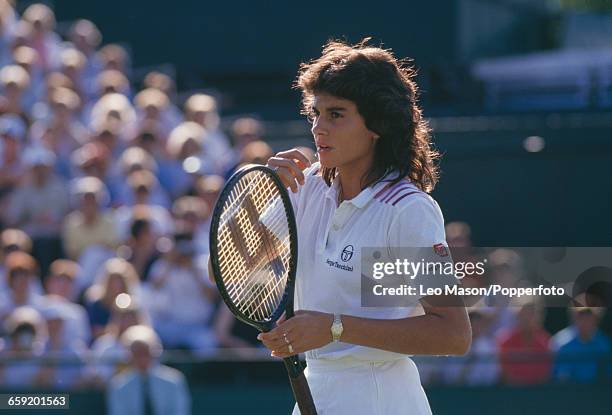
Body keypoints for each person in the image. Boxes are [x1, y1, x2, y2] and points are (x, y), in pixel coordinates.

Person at [257, 40, 471, 414]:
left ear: (377, 124)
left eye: (336, 114)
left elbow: (453, 333)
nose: (318, 128)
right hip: (315, 389)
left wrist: (334, 327)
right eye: (315, 112)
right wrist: (257, 195)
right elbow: (223, 270)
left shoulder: (408, 211)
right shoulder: (305, 188)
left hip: (380, 398)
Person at [107, 325, 191, 415]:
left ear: (155, 352)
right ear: (129, 355)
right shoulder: (118, 385)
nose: (142, 358)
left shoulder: (174, 380)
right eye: (137, 353)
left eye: (145, 352)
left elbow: (180, 412)